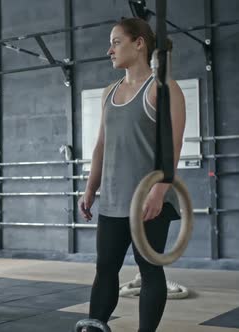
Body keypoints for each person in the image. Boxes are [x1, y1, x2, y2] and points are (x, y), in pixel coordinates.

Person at [77, 17, 186, 332]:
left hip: (149, 202)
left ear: (139, 43)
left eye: (115, 42)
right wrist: (89, 189)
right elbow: (100, 146)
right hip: (112, 200)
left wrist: (160, 190)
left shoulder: (163, 89)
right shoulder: (109, 92)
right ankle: (94, 326)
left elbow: (173, 145)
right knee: (105, 268)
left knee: (150, 270)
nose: (109, 50)